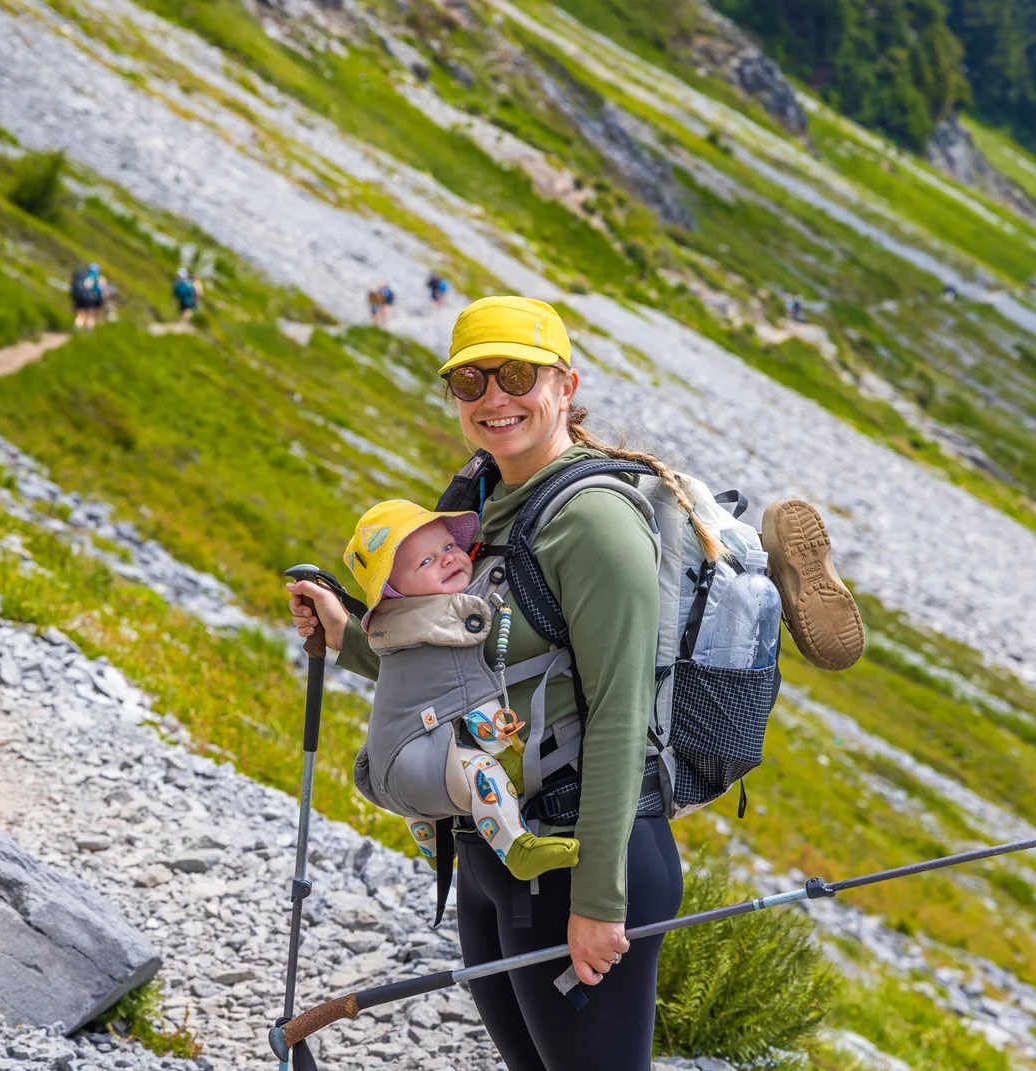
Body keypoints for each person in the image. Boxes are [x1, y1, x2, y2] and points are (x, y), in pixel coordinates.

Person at [287, 296, 862, 1069]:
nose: (494, 397)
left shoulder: (591, 521)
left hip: (584, 856)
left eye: (518, 375)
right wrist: (347, 638)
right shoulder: (483, 500)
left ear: (565, 384)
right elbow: (469, 672)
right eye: (471, 381)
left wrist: (598, 900)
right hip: (499, 857)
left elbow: (622, 711)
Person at [342, 499, 580, 881]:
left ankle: (435, 849)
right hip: (412, 769)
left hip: (383, 765)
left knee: (428, 785)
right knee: (481, 771)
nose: (448, 559)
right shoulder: (439, 626)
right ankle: (517, 847)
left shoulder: (391, 630)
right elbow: (469, 697)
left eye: (449, 546)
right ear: (393, 592)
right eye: (426, 561)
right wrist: (507, 751)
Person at [70, 263, 102, 330]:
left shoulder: (84, 276)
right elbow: (97, 290)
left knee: (80, 314)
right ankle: (88, 331)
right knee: (90, 315)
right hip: (90, 299)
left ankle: (77, 329)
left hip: (80, 297)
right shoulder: (96, 277)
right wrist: (98, 302)